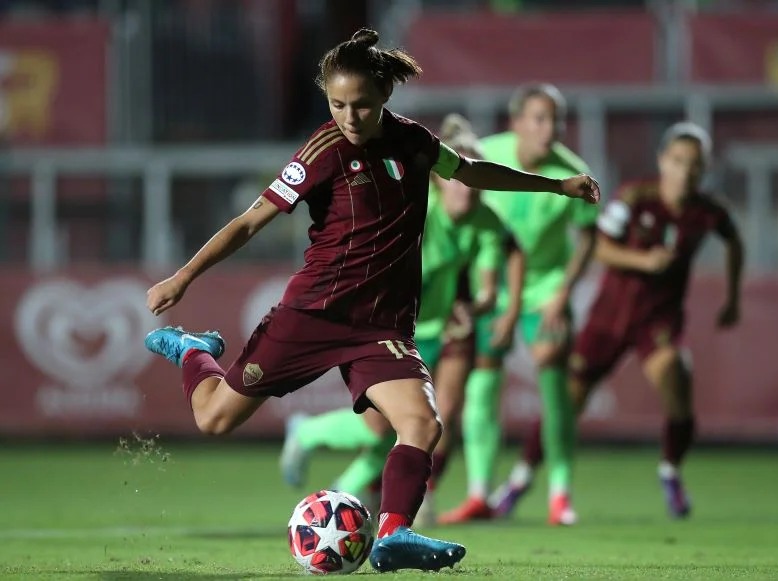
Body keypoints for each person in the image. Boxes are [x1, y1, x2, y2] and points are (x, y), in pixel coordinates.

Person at [142, 29, 599, 573]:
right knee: (214, 419)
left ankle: (394, 534)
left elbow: (471, 171)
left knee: (423, 424)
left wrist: (555, 186)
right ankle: (193, 350)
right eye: (337, 104)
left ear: (385, 94)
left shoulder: (414, 142)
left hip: (381, 328)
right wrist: (185, 276)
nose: (349, 117)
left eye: (360, 104)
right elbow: (249, 222)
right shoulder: (322, 152)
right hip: (314, 314)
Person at [277, 114, 525, 527]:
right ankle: (309, 435)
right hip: (392, 328)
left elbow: (487, 288)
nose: (466, 191)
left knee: (437, 418)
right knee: (380, 428)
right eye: (457, 182)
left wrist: (475, 308)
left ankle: (402, 498)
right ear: (439, 182)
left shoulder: (487, 220)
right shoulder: (415, 207)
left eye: (472, 183)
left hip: (443, 327)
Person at [493, 122, 744, 520]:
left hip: (658, 320)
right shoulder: (634, 197)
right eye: (678, 160)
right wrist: (643, 261)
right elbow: (599, 248)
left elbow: (734, 242)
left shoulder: (709, 211)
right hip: (610, 317)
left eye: (694, 164)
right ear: (663, 161)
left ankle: (671, 470)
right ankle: (519, 480)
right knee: (567, 401)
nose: (685, 171)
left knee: (676, 375)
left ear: (705, 168)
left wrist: (733, 298)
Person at [440, 84, 598, 527]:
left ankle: (560, 495)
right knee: (483, 382)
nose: (550, 129)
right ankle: (478, 493)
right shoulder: (486, 156)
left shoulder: (574, 171)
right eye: (540, 119)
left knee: (552, 369)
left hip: (544, 291)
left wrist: (563, 293)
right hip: (490, 288)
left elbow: (589, 237)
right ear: (517, 123)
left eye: (556, 120)